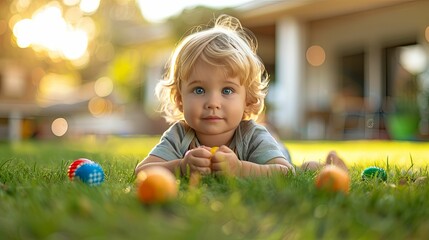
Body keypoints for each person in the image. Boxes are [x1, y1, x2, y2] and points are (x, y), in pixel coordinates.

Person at [135, 15, 295, 177]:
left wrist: (239, 168)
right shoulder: (179, 136)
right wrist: (181, 166)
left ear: (247, 100)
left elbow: (286, 172)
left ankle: (305, 161)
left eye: (227, 90)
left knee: (283, 153)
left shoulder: (252, 135)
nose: (213, 103)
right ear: (179, 99)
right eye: (199, 90)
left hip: (273, 149)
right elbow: (142, 171)